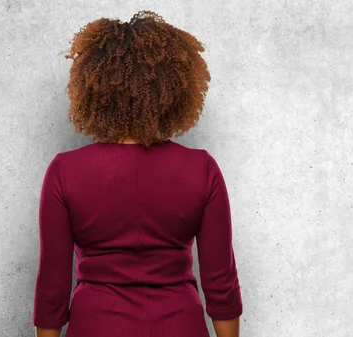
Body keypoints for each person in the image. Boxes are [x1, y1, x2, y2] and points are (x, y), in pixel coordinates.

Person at [32, 10, 243, 337]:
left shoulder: (64, 172)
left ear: (94, 87)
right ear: (173, 88)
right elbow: (221, 284)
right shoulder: (202, 170)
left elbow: (52, 288)